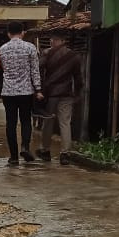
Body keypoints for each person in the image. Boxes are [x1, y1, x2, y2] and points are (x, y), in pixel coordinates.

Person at [0, 22, 44, 165]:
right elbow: (35, 71)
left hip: (8, 92)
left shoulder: (2, 49)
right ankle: (25, 146)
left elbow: (3, 69)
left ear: (8, 33)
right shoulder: (30, 48)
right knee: (25, 121)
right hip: (25, 91)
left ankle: (13, 157)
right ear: (23, 32)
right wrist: (38, 89)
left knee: (10, 123)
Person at [37, 35, 83, 164]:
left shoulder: (46, 53)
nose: (52, 41)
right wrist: (78, 93)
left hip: (50, 94)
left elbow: (38, 69)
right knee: (65, 123)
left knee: (48, 123)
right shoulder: (74, 56)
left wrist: (38, 88)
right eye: (51, 39)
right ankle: (65, 154)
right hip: (66, 94)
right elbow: (78, 77)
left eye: (55, 39)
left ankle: (45, 151)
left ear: (63, 41)